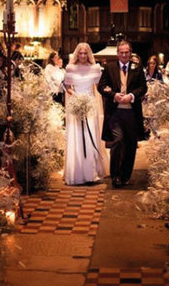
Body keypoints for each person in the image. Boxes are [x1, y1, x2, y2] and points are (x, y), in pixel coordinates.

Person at [97, 40, 148, 188]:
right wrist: (114, 95)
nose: (124, 55)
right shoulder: (109, 68)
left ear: (130, 53)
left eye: (127, 52)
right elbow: (101, 86)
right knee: (118, 141)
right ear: (117, 53)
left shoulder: (137, 68)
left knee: (131, 144)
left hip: (132, 113)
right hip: (115, 113)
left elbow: (143, 88)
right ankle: (115, 176)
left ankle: (125, 176)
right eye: (121, 52)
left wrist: (131, 96)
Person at [63, 43, 108, 185]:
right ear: (77, 54)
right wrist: (76, 96)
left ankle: (91, 172)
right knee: (76, 136)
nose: (83, 56)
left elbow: (100, 86)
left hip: (90, 106)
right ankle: (76, 172)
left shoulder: (95, 68)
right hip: (76, 105)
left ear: (89, 54)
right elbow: (67, 86)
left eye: (85, 53)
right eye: (80, 53)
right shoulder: (70, 68)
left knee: (90, 137)